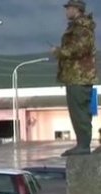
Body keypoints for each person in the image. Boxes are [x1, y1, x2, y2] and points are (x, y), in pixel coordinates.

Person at [51, 0, 98, 157]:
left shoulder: (82, 28)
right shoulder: (76, 27)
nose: (66, 11)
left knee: (80, 113)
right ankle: (81, 144)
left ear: (76, 9)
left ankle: (83, 145)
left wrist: (59, 52)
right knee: (77, 112)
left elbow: (80, 49)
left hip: (80, 77)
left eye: (68, 8)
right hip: (74, 76)